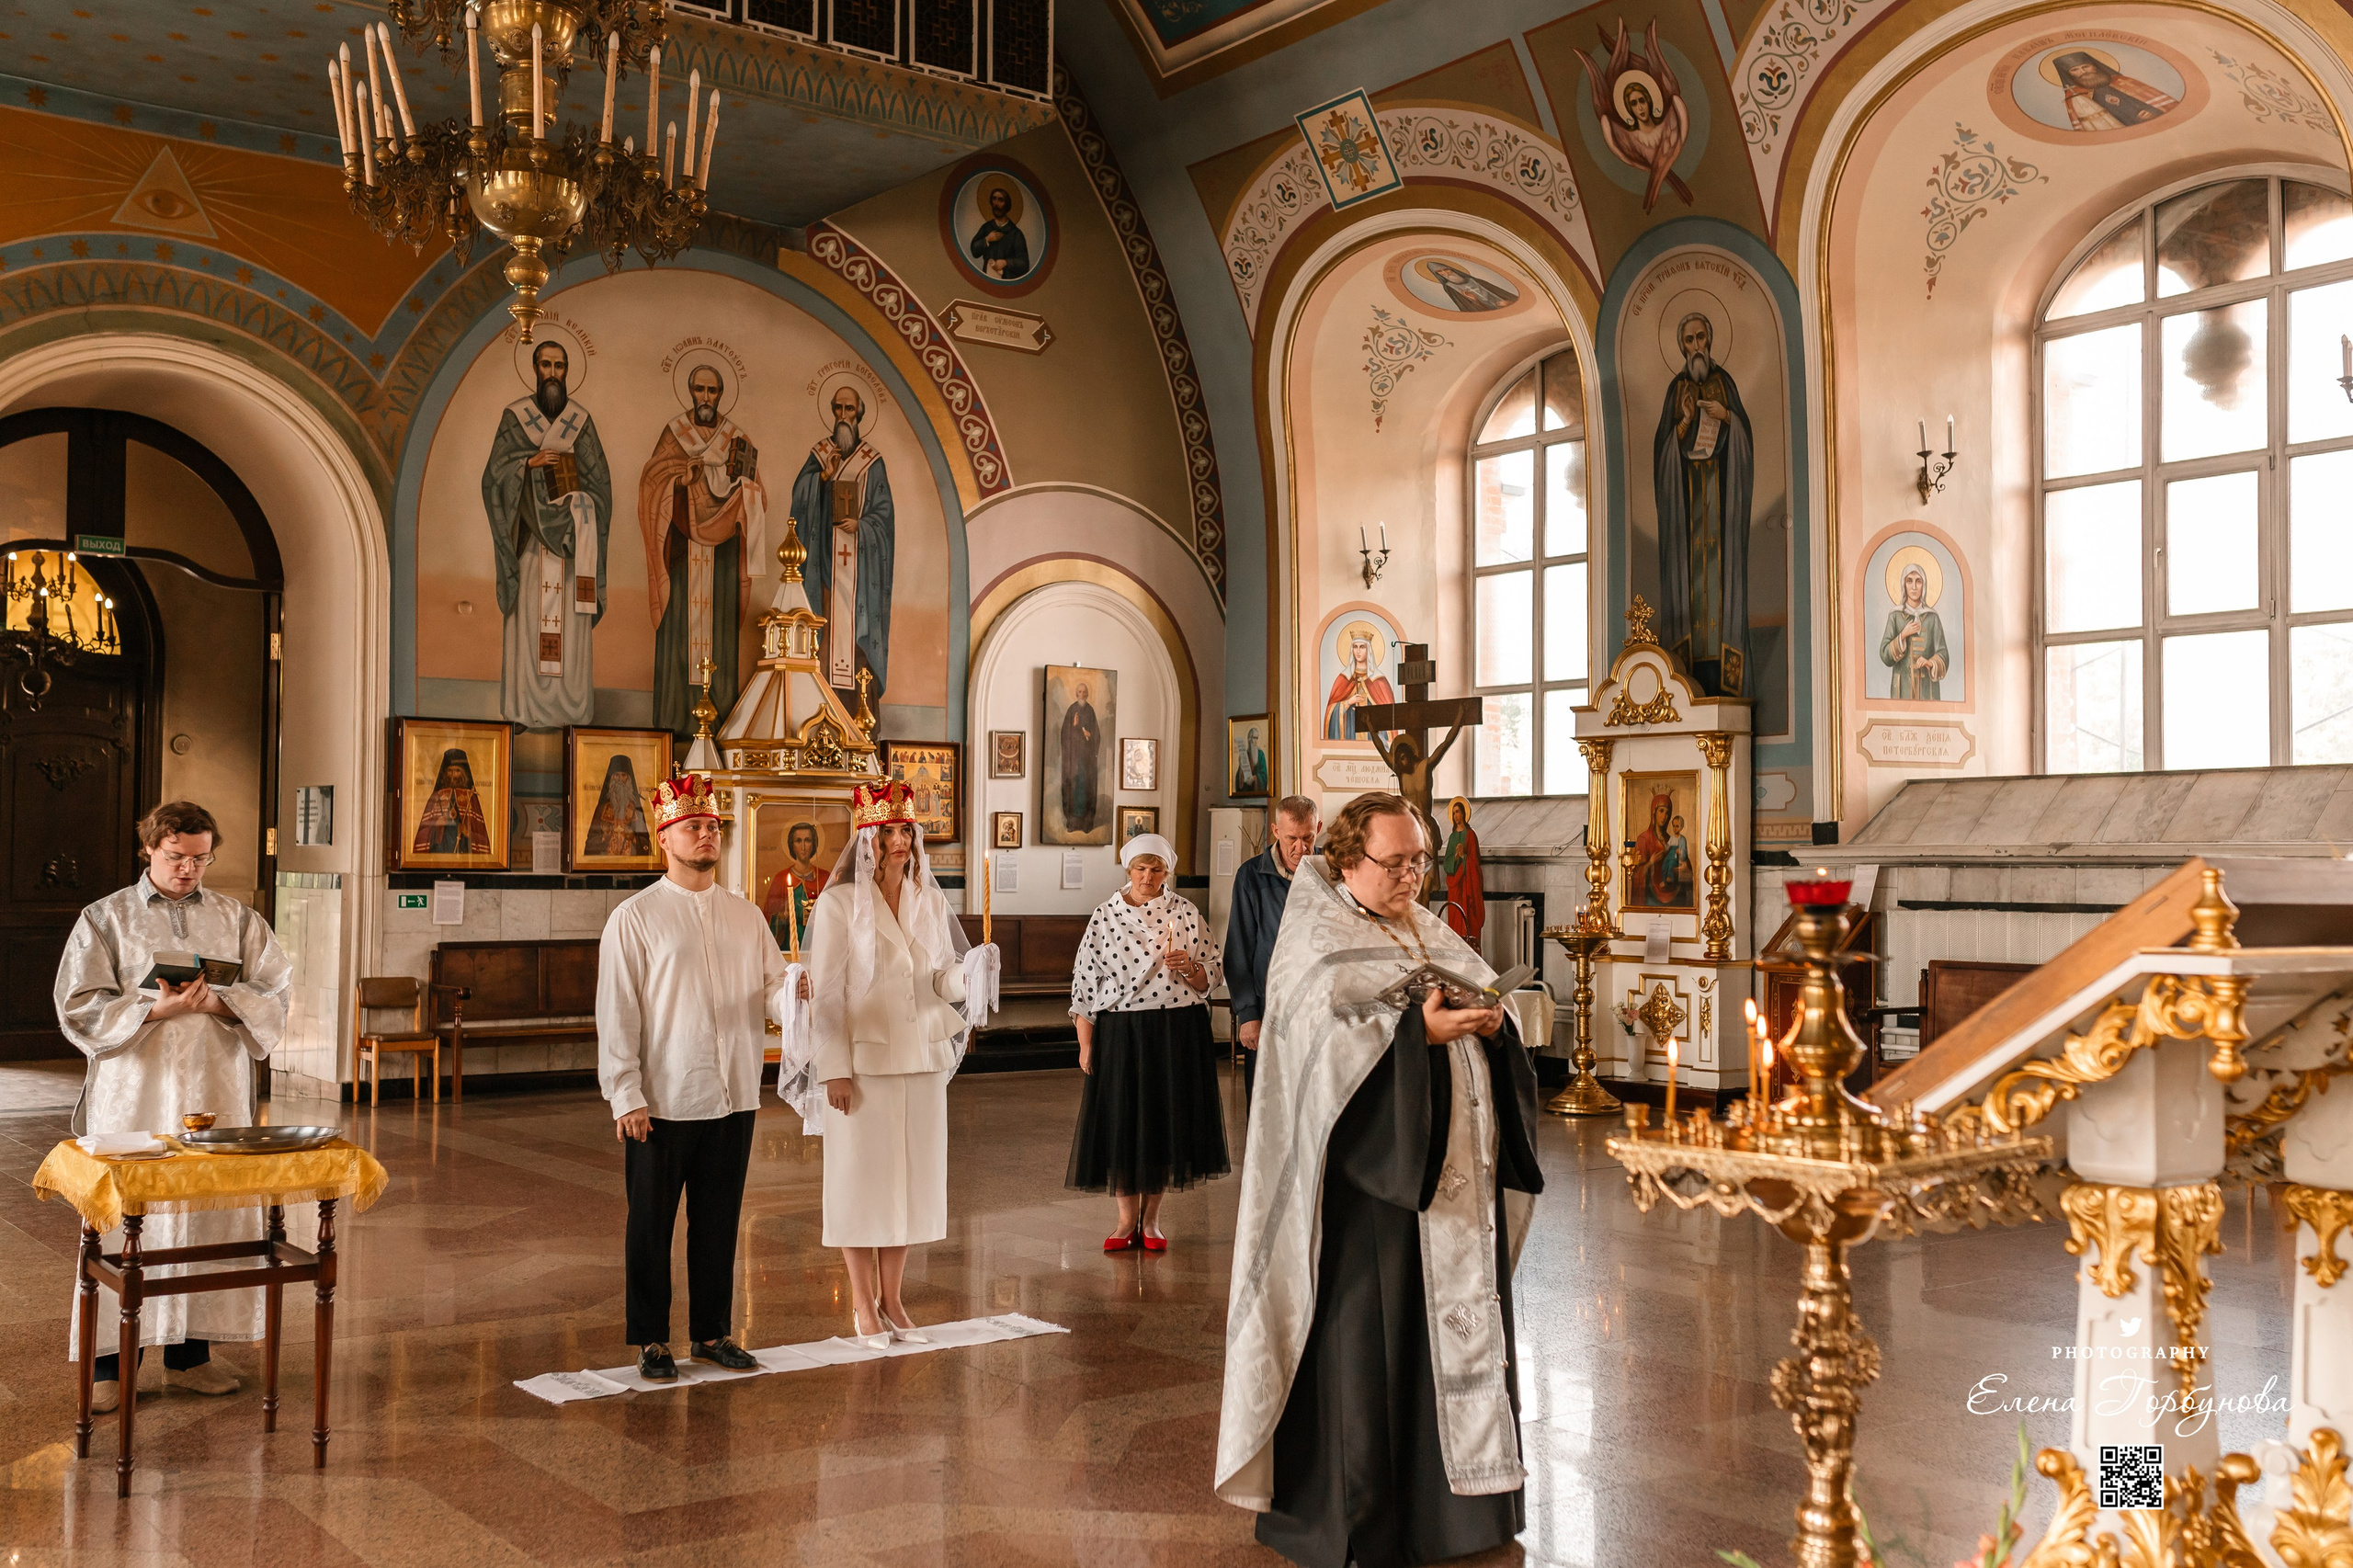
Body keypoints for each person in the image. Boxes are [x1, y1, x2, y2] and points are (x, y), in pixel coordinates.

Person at [1216, 791, 1542, 1567]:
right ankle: (1361, 1518)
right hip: (1369, 1194)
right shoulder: (1312, 940)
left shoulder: (1424, 926)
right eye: (1395, 864)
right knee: (1372, 1354)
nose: (1411, 879)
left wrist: (1496, 1024)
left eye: (1418, 862)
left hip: (1451, 1191)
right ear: (1345, 861)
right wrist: (1414, 1038)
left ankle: (1465, 1514)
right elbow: (1316, 1059)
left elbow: (1484, 999)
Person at [53, 800, 295, 1415]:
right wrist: (150, 1010)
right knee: (129, 1214)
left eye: (200, 858)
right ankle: (113, 1360)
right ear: (150, 850)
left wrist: (220, 1003)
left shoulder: (236, 917)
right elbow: (78, 1001)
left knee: (207, 1209)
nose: (188, 870)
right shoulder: (106, 917)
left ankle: (190, 1353)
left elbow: (274, 988)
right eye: (175, 857)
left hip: (216, 1086)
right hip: (137, 1089)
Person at [597, 771, 795, 1381]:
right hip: (663, 1098)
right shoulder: (635, 918)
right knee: (651, 1226)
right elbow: (617, 1010)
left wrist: (794, 996)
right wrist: (625, 1093)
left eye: (712, 826)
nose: (708, 834)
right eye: (694, 826)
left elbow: (770, 989)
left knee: (719, 1223)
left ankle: (712, 1332)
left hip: (733, 1093)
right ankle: (652, 1340)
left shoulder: (743, 915)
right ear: (666, 838)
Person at [796, 779, 994, 1347]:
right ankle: (862, 1305)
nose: (901, 841)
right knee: (861, 1184)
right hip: (861, 1065)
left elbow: (938, 978)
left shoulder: (928, 899)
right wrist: (831, 1064)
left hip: (921, 1059)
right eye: (889, 831)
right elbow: (828, 992)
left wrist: (970, 973)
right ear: (868, 838)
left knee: (910, 1184)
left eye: (907, 829)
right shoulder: (838, 904)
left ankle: (895, 1301)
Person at [1067, 834, 1228, 1252]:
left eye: (1157, 869)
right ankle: (1124, 1222)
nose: (1148, 877)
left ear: (1167, 872)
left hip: (1176, 1028)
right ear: (1128, 870)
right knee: (1122, 1120)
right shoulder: (1105, 915)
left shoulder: (1186, 912)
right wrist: (1086, 1045)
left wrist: (1189, 966)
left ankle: (1152, 1222)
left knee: (1163, 1123)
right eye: (1141, 868)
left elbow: (1212, 975)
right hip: (1122, 1030)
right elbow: (1084, 984)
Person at [481, 337, 613, 728]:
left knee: (570, 627)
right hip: (529, 547)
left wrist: (581, 506)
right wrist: (528, 463)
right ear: (535, 369)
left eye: (559, 366)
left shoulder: (580, 423)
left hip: (572, 548)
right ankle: (523, 710)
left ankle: (571, 710)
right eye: (545, 365)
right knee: (527, 624)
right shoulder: (515, 417)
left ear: (567, 372)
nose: (552, 373)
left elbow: (601, 486)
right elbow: (494, 477)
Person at [636, 362, 767, 740]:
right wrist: (681, 479)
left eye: (712, 391)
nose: (705, 398)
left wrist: (744, 490)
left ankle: (722, 725)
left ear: (721, 394)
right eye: (699, 390)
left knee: (719, 633)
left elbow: (757, 489)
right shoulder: (675, 433)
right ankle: (674, 721)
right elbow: (652, 481)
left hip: (722, 554)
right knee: (680, 630)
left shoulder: (736, 438)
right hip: (681, 546)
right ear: (691, 391)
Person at [1654, 311, 1754, 699]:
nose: (1696, 347)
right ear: (1682, 347)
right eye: (1689, 341)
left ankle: (1726, 677)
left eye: (1701, 339)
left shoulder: (1724, 383)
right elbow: (1662, 452)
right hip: (1688, 505)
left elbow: (1745, 441)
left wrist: (1725, 415)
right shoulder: (1675, 390)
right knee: (1691, 586)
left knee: (1721, 582)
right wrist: (1684, 422)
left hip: (1720, 502)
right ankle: (1687, 674)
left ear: (1709, 342)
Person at [1225, 798, 1318, 1109]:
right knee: (1269, 1106)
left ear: (1318, 829)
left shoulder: (1333, 873)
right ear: (1276, 831)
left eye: (1308, 837)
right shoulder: (1251, 876)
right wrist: (1248, 1014)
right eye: (1292, 838)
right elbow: (1239, 951)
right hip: (1269, 1011)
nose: (1301, 848)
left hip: (1318, 1011)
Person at [2051, 49, 2177, 131]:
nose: (2082, 72)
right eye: (2075, 70)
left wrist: (2152, 113)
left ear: (2095, 66)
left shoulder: (2123, 82)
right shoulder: (2076, 98)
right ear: (2069, 75)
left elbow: (2164, 106)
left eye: (2085, 66)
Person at [1880, 562, 1949, 699]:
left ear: (1923, 586)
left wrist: (1931, 662)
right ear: (1903, 585)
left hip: (1927, 690)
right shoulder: (1895, 616)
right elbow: (1884, 655)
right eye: (1909, 581)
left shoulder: (1932, 617)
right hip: (1902, 689)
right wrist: (1902, 635)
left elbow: (1943, 654)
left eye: (1918, 581)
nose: (1913, 587)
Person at [413, 748, 490, 856]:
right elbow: (422, 835)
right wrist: (436, 825)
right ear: (445, 773)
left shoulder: (471, 798)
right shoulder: (436, 797)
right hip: (440, 854)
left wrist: (468, 833)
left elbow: (482, 837)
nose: (453, 774)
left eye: (457, 771)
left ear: (463, 774)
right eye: (450, 770)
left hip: (463, 853)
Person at [1058, 679, 1104, 834]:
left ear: (1088, 694)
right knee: (1073, 788)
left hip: (1087, 760)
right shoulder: (1072, 710)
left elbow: (1097, 735)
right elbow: (1064, 734)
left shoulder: (1090, 711)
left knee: (1086, 788)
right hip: (1073, 760)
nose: (1082, 695)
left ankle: (1086, 823)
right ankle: (1072, 822)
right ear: (1076, 694)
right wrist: (1075, 727)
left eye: (1085, 692)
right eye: (1079, 692)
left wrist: (1089, 735)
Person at [584, 753, 652, 857]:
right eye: (616, 775)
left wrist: (633, 837)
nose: (620, 779)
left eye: (623, 775)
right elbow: (591, 842)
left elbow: (645, 842)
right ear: (611, 779)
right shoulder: (602, 809)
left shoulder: (635, 810)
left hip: (631, 859)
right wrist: (604, 836)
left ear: (628, 779)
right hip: (605, 859)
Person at [1440, 796, 1484, 946]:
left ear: (1464, 814)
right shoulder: (1452, 837)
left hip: (1468, 885)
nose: (1456, 815)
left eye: (1458, 812)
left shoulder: (1471, 835)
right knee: (1455, 918)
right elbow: (1447, 865)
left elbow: (1476, 863)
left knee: (1468, 920)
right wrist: (1456, 857)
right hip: (1455, 887)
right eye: (1453, 813)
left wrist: (1464, 857)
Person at [968, 183, 1031, 279]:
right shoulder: (986, 228)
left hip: (1007, 282)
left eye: (1000, 200)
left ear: (1007, 204)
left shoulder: (1016, 233)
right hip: (988, 278)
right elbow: (974, 251)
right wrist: (987, 239)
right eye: (994, 199)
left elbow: (1024, 263)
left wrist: (1006, 262)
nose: (996, 203)